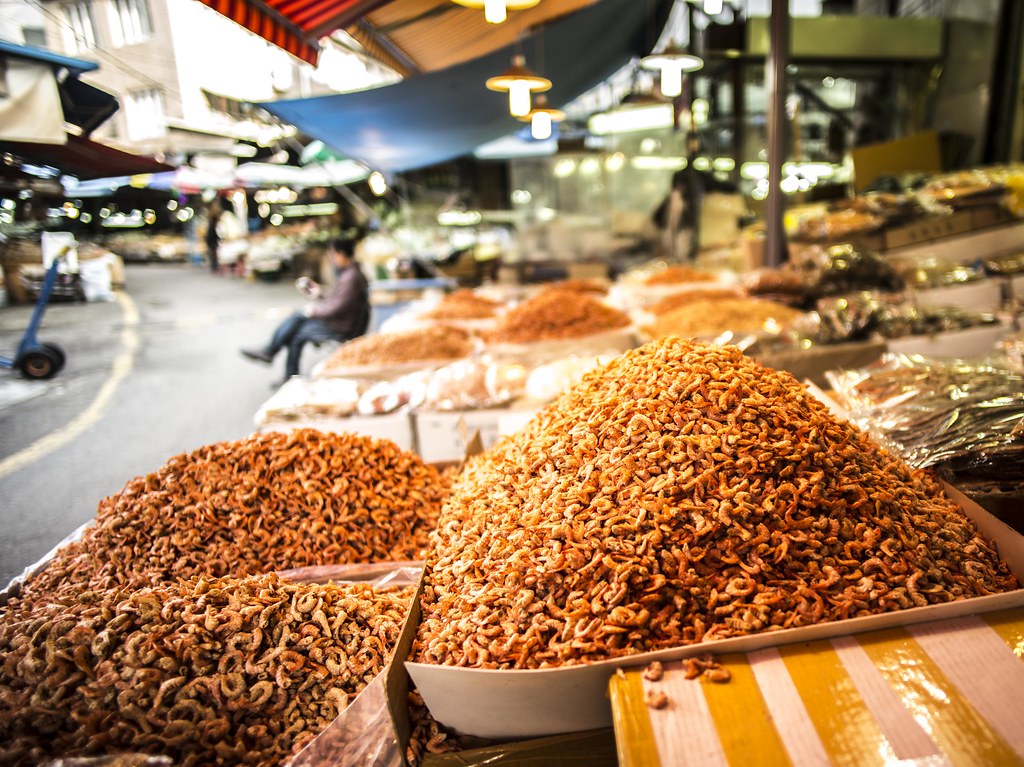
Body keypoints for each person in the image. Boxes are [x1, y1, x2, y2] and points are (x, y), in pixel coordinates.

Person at [241, 237, 370, 381]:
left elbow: (336, 307)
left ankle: (274, 355)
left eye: (332, 255)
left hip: (341, 327)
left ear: (340, 254)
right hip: (339, 322)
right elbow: (338, 301)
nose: (332, 259)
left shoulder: (350, 278)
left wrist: (314, 311)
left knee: (298, 325)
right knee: (298, 322)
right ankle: (276, 357)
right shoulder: (350, 274)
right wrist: (319, 293)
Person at [205, 204, 222, 273]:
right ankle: (214, 267)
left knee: (213, 253)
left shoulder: (210, 221)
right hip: (212, 240)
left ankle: (214, 267)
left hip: (211, 239)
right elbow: (213, 232)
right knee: (213, 253)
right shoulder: (213, 222)